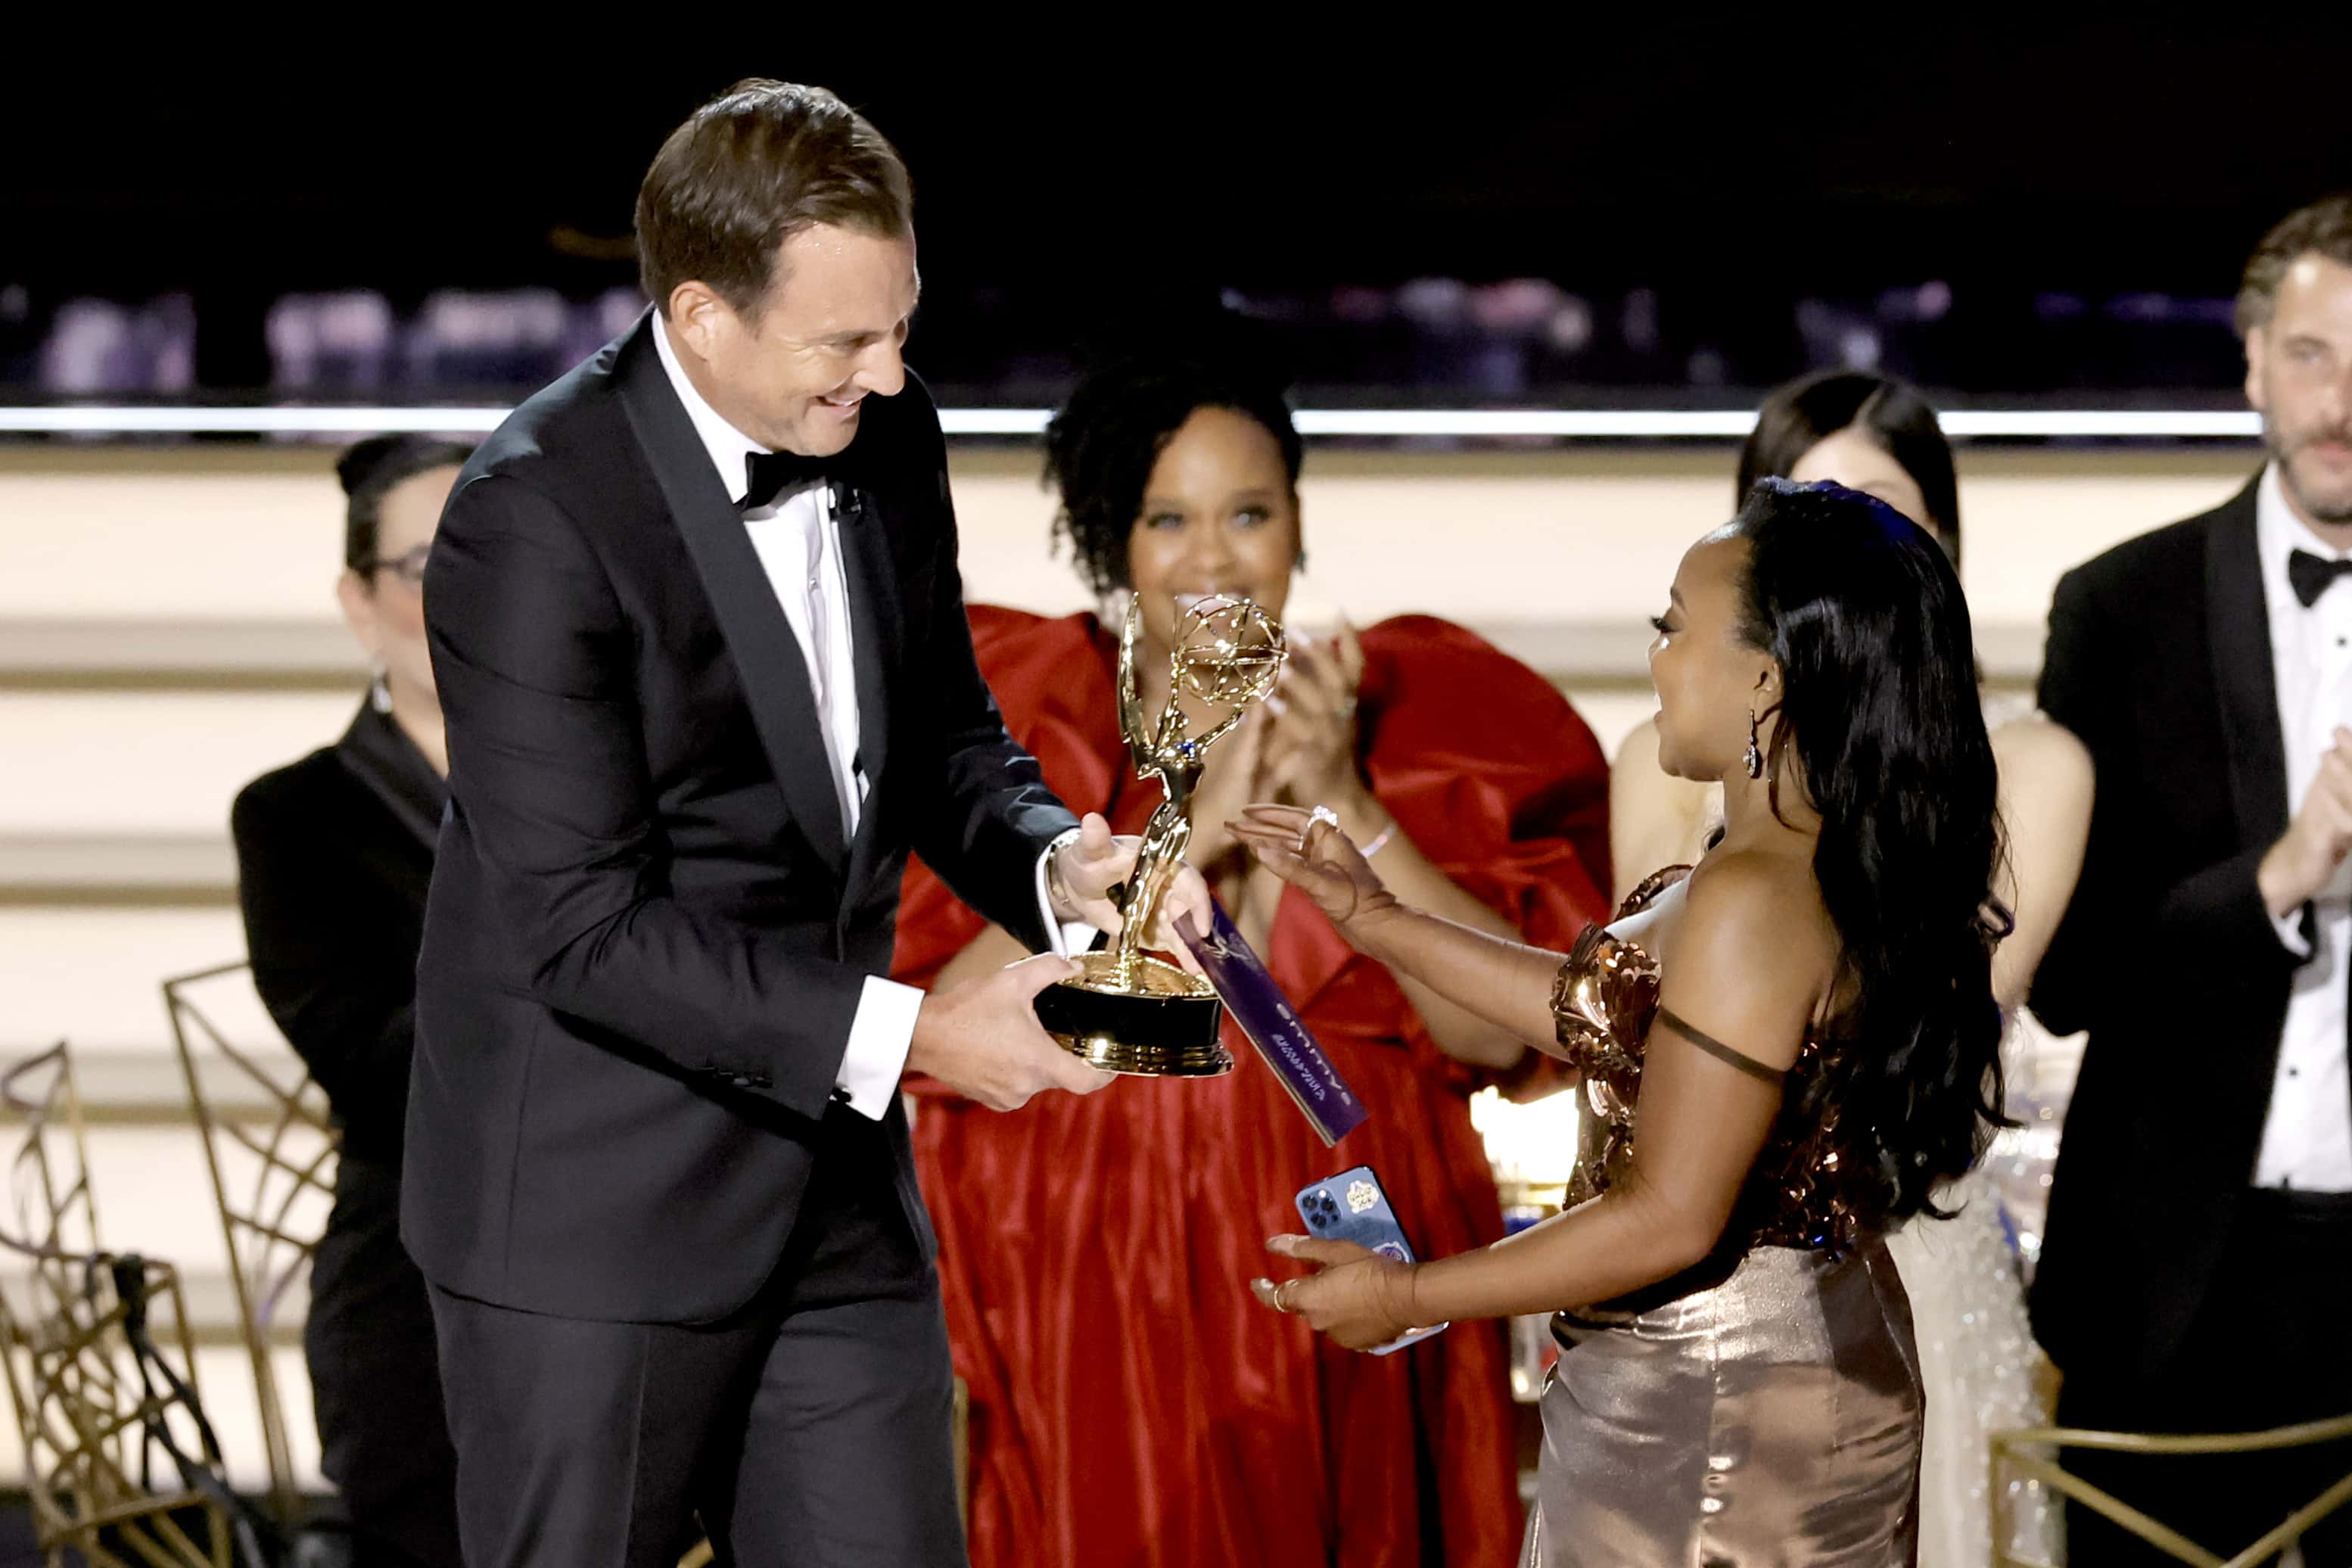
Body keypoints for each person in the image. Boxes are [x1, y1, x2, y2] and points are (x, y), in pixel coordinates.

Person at [403, 82, 1205, 1568]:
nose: (893, 375)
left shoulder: (888, 432)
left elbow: (944, 740)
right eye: (846, 339)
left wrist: (1055, 864)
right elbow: (584, 928)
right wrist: (922, 1038)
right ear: (701, 316)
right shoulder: (533, 516)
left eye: (904, 323)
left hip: (832, 1201)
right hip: (595, 1214)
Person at [889, 346, 1614, 1566]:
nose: (1214, 557)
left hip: (1365, 1226)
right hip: (1101, 1260)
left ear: (1298, 525)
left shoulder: (1402, 713)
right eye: (1169, 518)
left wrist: (1342, 798)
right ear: (1114, 539)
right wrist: (1197, 823)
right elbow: (945, 1022)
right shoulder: (1034, 723)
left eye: (1249, 514)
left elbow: (1495, 1036)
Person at [1244, 478, 2011, 1564]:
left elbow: (1667, 1217)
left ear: (1762, 678)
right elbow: (1606, 1021)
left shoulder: (1758, 894)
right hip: (1754, 1369)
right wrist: (1377, 920)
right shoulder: (1784, 856)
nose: (1655, 657)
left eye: (1673, 626)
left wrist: (1409, 1292)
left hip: (1721, 1405)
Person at [1609, 369, 2089, 1564]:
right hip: (1689, 1278)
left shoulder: (2028, 766)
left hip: (1912, 1251)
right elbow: (1622, 1030)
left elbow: (1946, 1011)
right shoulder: (1656, 761)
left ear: (1944, 540)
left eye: (1882, 508)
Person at [2030, 193, 2352, 1564]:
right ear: (2250, 364)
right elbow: (2064, 977)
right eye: (2313, 353)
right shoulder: (2121, 609)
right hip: (2171, 1285)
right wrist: (2276, 875)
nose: (2345, 399)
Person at [231, 434, 471, 1568]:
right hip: (420, 1272)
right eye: (431, 566)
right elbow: (376, 1071)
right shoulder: (296, 817)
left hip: (640, 1257)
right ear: (359, 602)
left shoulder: (634, 785)